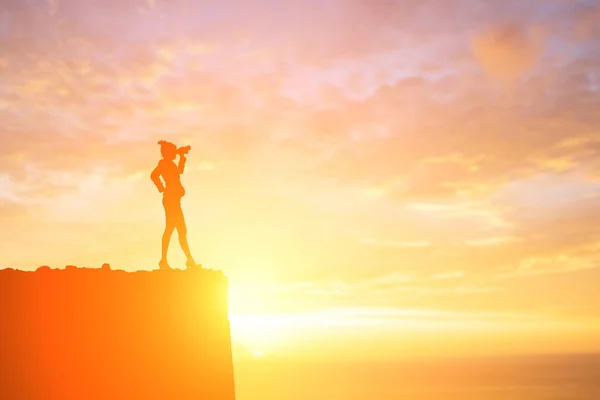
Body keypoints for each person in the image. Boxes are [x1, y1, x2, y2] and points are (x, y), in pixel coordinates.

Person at [150, 140, 200, 270]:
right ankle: (188, 260)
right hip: (171, 201)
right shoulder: (164, 163)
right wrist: (161, 188)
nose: (175, 154)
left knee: (174, 230)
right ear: (167, 153)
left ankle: (171, 260)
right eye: (173, 152)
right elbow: (154, 175)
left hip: (174, 200)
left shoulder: (170, 164)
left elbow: (179, 171)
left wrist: (182, 158)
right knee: (179, 230)